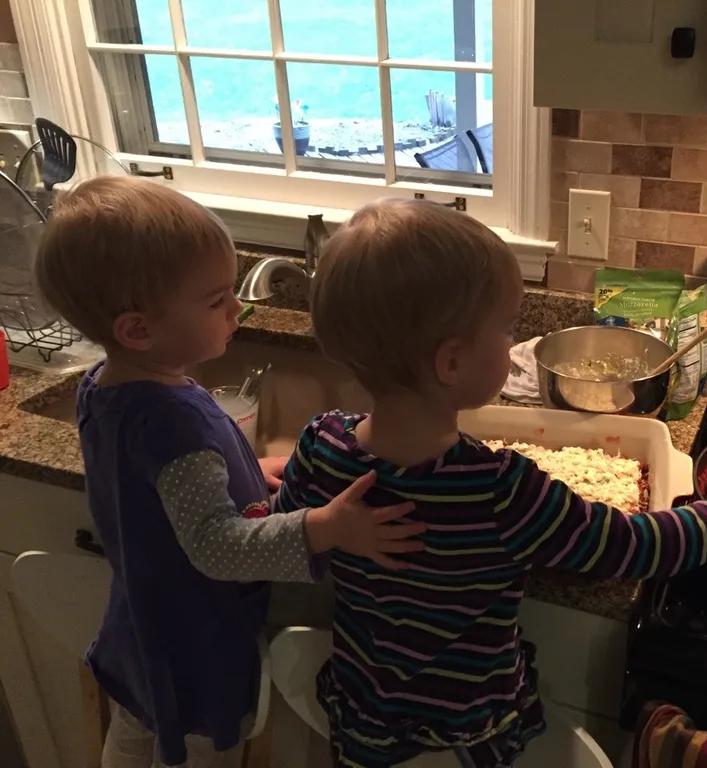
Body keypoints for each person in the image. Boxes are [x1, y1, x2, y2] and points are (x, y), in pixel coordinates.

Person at [274, 198, 707, 768]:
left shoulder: (321, 448)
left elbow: (282, 529)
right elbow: (636, 546)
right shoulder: (502, 492)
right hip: (472, 742)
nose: (513, 344)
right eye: (505, 332)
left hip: (363, 732)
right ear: (450, 364)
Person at [33, 177, 426, 768]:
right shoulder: (172, 419)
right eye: (216, 300)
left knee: (135, 743)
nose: (237, 308)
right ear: (138, 328)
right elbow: (216, 546)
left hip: (144, 628)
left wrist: (244, 467)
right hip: (192, 651)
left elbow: (155, 487)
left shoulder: (112, 385)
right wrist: (325, 527)